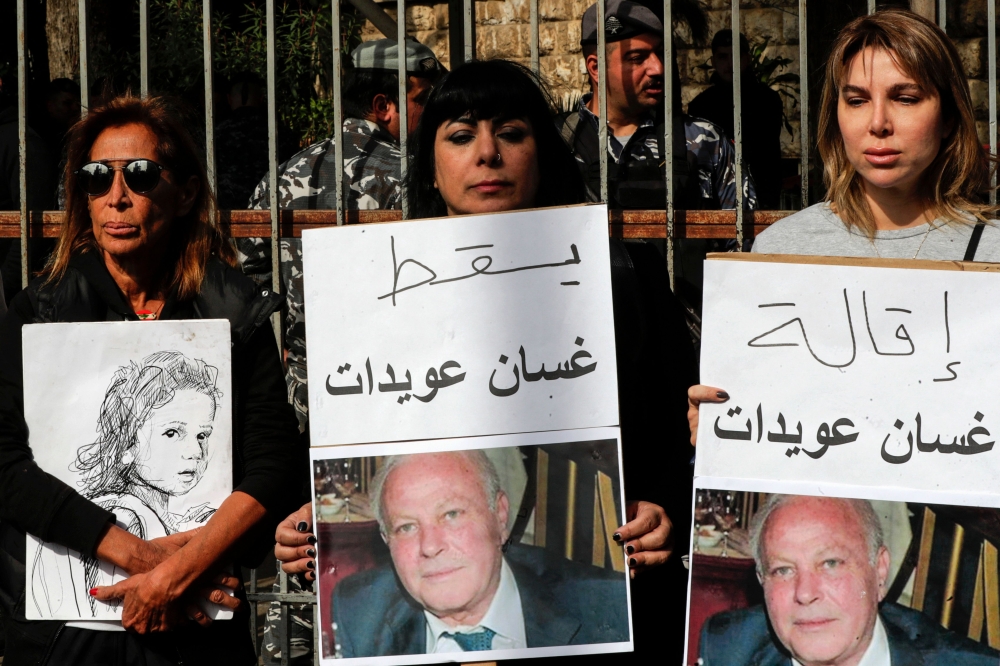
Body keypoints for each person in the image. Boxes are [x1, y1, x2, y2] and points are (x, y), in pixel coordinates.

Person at [276, 58, 697, 661]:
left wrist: (664, 514)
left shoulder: (624, 277)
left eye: (512, 133)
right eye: (460, 135)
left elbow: (677, 443)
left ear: (542, 152)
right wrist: (302, 527)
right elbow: (332, 442)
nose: (487, 154)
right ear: (431, 161)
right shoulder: (367, 292)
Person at [0, 95, 303, 664]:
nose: (116, 196)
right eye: (96, 178)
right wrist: (148, 563)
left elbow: (273, 462)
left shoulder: (233, 312)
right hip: (63, 637)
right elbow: (6, 465)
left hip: (200, 628)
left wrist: (182, 573)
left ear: (186, 193)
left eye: (139, 175)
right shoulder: (37, 313)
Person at [687, 9, 1000, 437]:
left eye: (905, 98)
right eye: (856, 100)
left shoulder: (992, 254)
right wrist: (721, 431)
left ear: (948, 116)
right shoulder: (781, 253)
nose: (877, 124)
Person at [239, 37, 443, 431]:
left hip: (299, 394)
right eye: (423, 101)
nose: (432, 114)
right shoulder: (414, 177)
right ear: (384, 107)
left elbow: (250, 278)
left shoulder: (282, 175)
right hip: (396, 388)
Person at [332, 450, 629, 656]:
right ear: (386, 539)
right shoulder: (358, 613)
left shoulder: (606, 607)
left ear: (500, 516)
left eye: (451, 514)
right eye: (407, 527)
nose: (430, 546)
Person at [699, 494, 1000, 665]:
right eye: (783, 570)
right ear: (761, 578)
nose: (805, 594)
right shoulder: (727, 649)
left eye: (830, 563)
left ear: (879, 571)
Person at [557, 0, 756, 210]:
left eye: (660, 53)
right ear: (596, 68)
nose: (658, 68)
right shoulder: (556, 141)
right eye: (638, 58)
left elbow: (745, 236)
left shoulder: (707, 141)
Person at [688, 30, 784, 208]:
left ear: (746, 59)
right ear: (714, 61)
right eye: (723, 57)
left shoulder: (767, 100)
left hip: (760, 194)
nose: (730, 63)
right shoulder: (701, 105)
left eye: (735, 56)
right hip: (715, 198)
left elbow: (766, 155)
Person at [214, 73, 298, 210]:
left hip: (227, 215)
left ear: (229, 99)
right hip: (271, 213)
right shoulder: (282, 134)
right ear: (261, 99)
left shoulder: (216, 135)